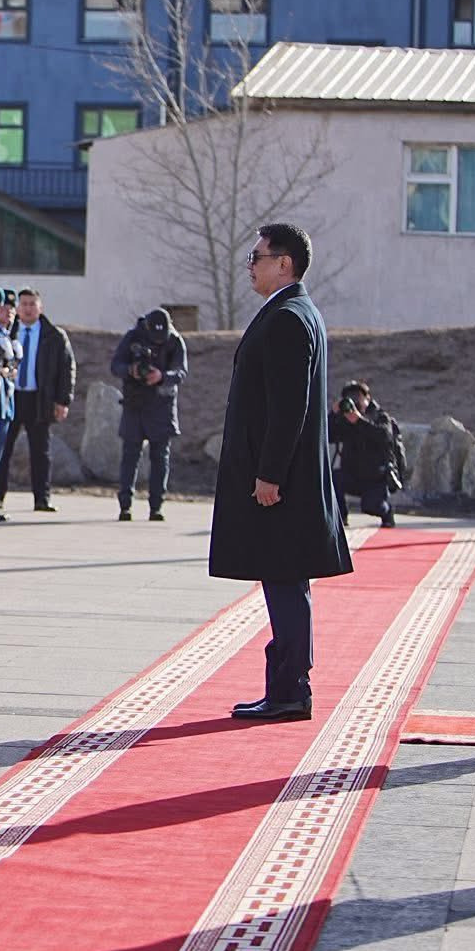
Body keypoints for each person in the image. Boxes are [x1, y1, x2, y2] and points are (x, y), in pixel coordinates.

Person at [209, 222, 352, 723]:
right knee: (284, 583)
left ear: (284, 263)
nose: (250, 264)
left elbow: (289, 408)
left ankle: (291, 687)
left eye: (257, 255)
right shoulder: (289, 312)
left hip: (281, 486)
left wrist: (269, 474)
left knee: (286, 583)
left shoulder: (290, 317)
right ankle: (288, 684)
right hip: (282, 481)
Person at [0, 288, 74, 514]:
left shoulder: (54, 336)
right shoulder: (6, 333)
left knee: (41, 451)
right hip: (11, 397)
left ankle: (42, 498)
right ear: (17, 308)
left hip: (40, 398)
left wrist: (63, 400)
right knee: (3, 448)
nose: (28, 308)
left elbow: (66, 369)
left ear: (40, 307)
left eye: (32, 304)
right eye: (24, 304)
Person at [110, 307, 185, 522]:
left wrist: (162, 376)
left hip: (161, 404)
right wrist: (131, 370)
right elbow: (115, 365)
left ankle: (156, 507)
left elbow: (181, 371)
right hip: (134, 403)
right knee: (130, 455)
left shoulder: (175, 341)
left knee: (160, 457)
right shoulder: (133, 337)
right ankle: (125, 505)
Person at [328, 380, 403, 529]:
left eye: (358, 397)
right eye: (351, 397)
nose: (355, 402)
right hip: (352, 473)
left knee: (370, 506)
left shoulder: (380, 416)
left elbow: (384, 436)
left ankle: (387, 512)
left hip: (375, 477)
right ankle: (340, 517)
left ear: (367, 399)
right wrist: (333, 414)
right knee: (332, 479)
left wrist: (359, 421)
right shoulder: (345, 419)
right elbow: (328, 436)